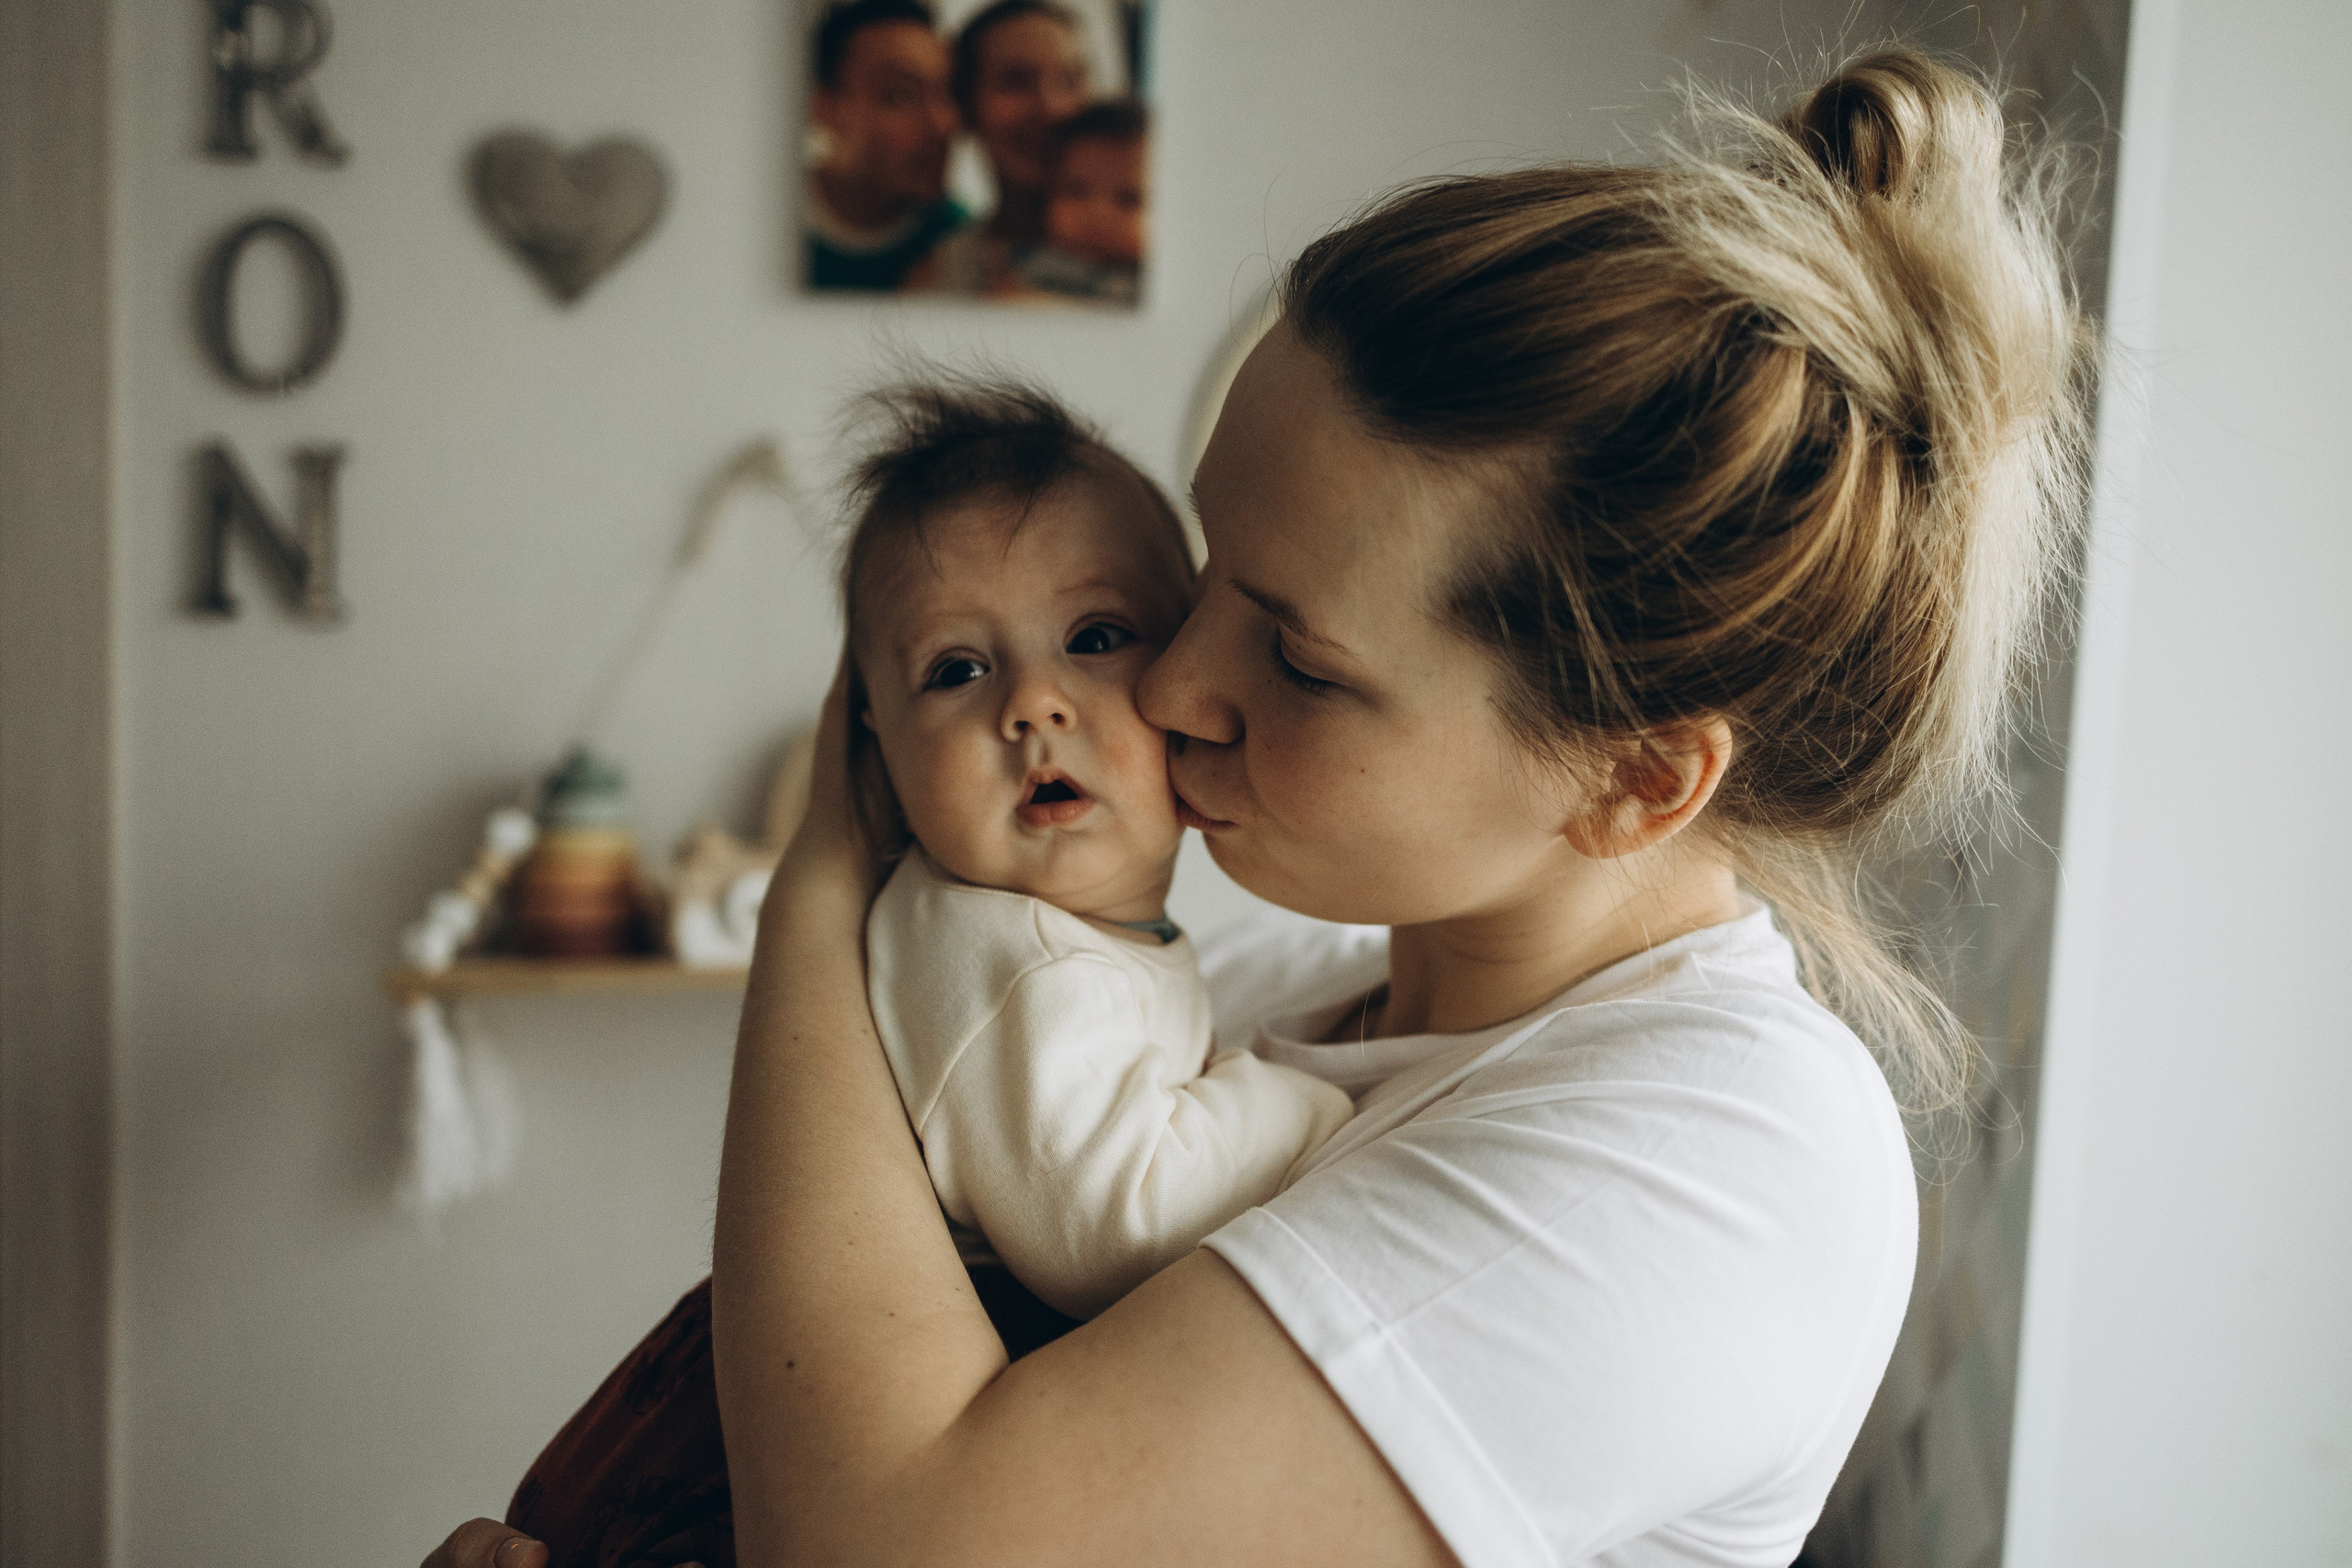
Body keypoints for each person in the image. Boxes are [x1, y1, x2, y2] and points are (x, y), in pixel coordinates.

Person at [429, 47, 2088, 1568]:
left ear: (1634, 777)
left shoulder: (1730, 1159)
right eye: (1204, 572)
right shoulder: (1288, 996)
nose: (1166, 686)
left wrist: (817, 884)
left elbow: (894, 1545)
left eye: (1295, 656)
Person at [494, 386, 1351, 1567]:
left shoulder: (1035, 937)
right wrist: (1307, 1100)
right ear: (873, 760)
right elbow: (1116, 1222)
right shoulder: (1019, 961)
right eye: (955, 670)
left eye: (1095, 638)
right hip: (770, 1461)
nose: (1031, 705)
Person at [906, 0, 1091, 294]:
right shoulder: (942, 277)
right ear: (966, 109)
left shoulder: (1153, 253)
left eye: (1070, 81)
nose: (1052, 108)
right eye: (1014, 82)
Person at [803, 0, 967, 292]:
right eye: (901, 95)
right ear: (824, 109)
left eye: (948, 93)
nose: (943, 124)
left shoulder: (959, 242)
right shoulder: (764, 217)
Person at [1012, 98, 1148, 304]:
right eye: (1076, 192)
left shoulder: (1159, 286)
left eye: (1129, 200)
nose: (1098, 215)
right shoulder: (1022, 268)